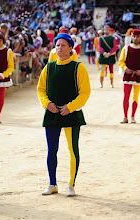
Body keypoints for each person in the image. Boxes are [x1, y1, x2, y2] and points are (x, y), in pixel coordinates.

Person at [37, 33, 91, 197]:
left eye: (63, 45)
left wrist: (71, 107)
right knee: (51, 150)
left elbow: (85, 93)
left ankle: (71, 185)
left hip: (71, 114)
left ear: (70, 48)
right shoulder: (49, 67)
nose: (59, 48)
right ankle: (52, 184)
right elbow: (41, 90)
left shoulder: (78, 67)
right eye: (57, 45)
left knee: (72, 150)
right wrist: (47, 104)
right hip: (52, 113)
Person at [118, 29, 140, 124]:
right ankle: (125, 116)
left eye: (138, 36)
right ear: (132, 37)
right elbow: (121, 61)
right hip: (127, 76)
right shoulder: (126, 48)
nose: (136, 38)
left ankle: (132, 116)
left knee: (135, 97)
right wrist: (125, 68)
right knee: (126, 96)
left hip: (138, 77)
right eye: (134, 36)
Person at [0, 32, 14, 123]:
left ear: (3, 41)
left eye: (0, 40)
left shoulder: (8, 51)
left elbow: (11, 66)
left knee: (0, 98)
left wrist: (3, 75)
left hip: (2, 78)